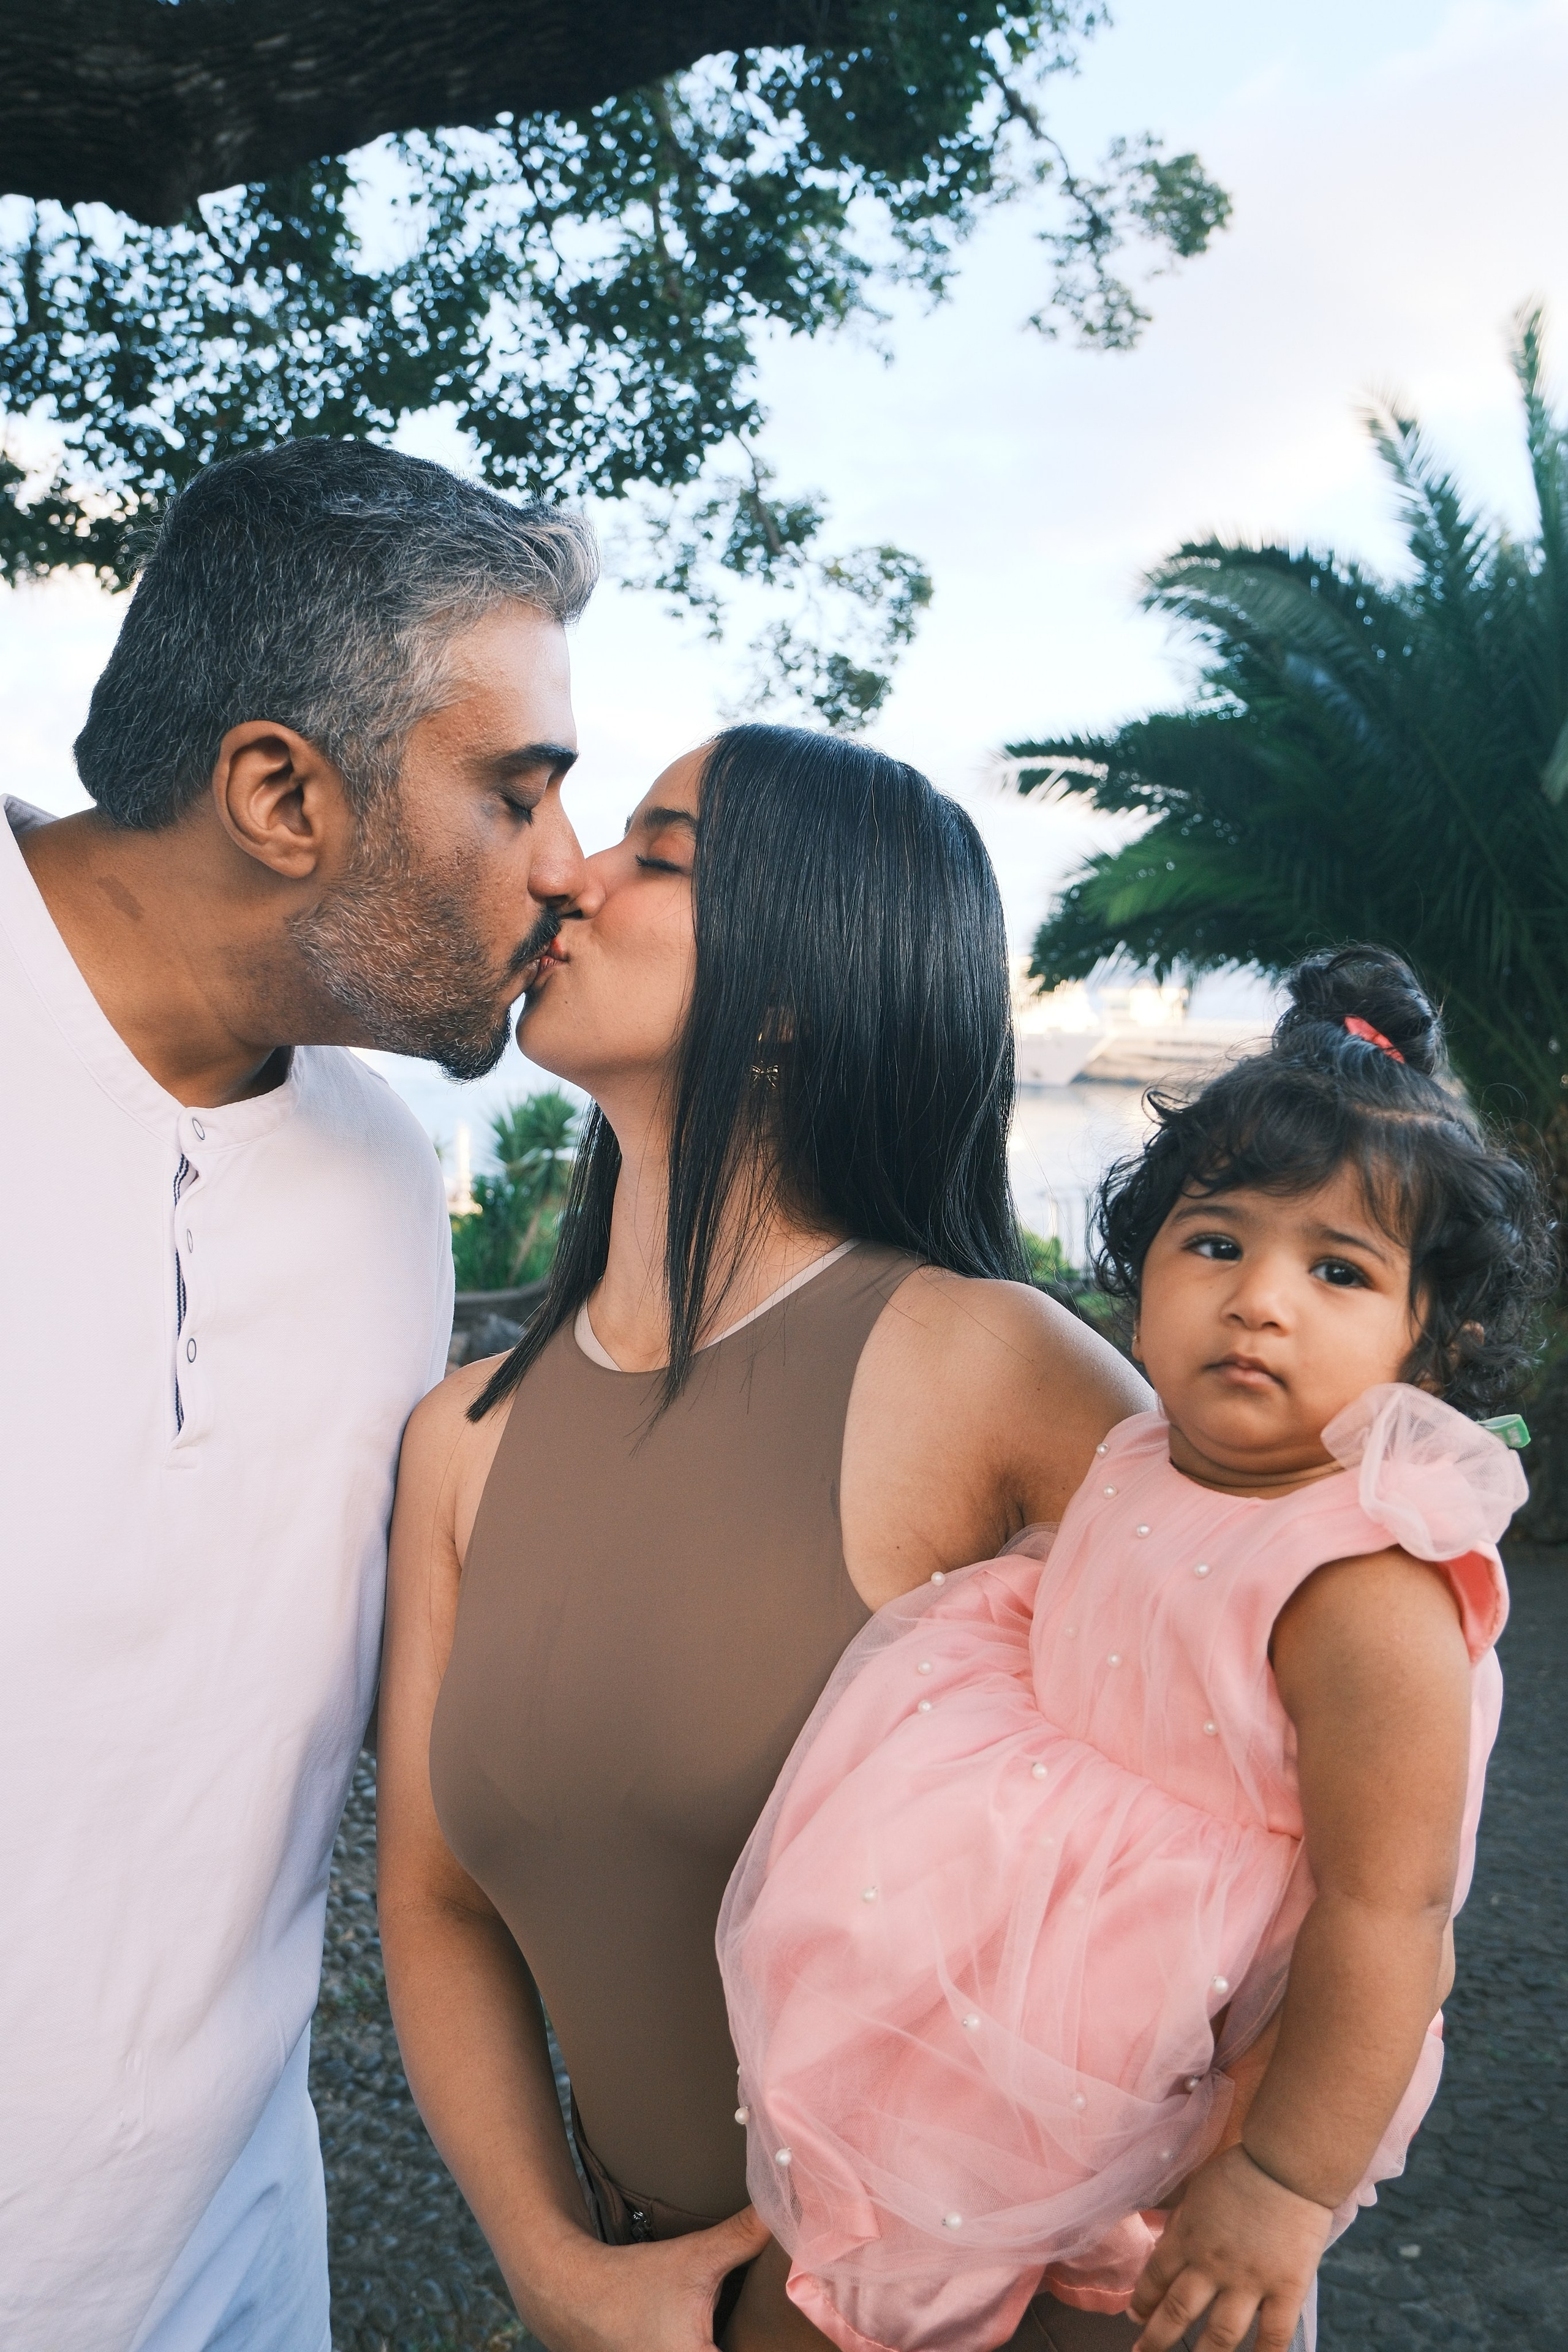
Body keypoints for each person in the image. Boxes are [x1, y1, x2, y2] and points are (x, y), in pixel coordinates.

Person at [377, 723, 1164, 2352]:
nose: (566, 875)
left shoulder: (994, 1368)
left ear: (799, 990)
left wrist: (1257, 2200)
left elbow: (1284, 1821)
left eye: (656, 854)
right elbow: (436, 1903)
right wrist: (551, 2266)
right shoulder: (459, 1443)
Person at [718, 946, 1551, 2352]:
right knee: (881, 2260)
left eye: (1336, 1271)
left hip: (1170, 2059)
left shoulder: (1360, 1581)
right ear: (1140, 1264)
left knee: (1118, 2309)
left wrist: (1280, 2182)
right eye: (1214, 1244)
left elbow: (1389, 1913)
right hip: (993, 1973)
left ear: (1428, 1344)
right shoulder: (1135, 1453)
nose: (1259, 1299)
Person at [0, 439, 598, 2352]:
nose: (571, 869)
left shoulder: (381, 1184)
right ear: (280, 794)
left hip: (228, 2280)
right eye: (517, 794)